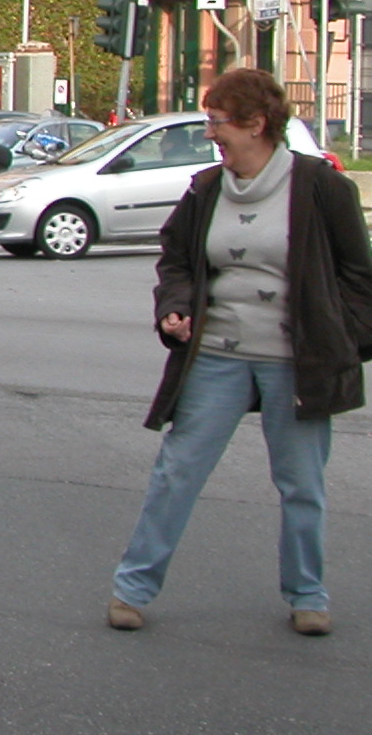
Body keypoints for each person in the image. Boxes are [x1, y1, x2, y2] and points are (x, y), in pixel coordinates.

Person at [108, 67, 369, 636]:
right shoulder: (206, 189)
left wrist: (343, 339)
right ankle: (133, 589)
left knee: (302, 484)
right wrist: (174, 307)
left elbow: (358, 277)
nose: (211, 134)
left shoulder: (322, 188)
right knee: (176, 472)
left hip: (296, 363)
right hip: (218, 356)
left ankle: (308, 595)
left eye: (219, 122)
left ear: (257, 124)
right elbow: (176, 260)